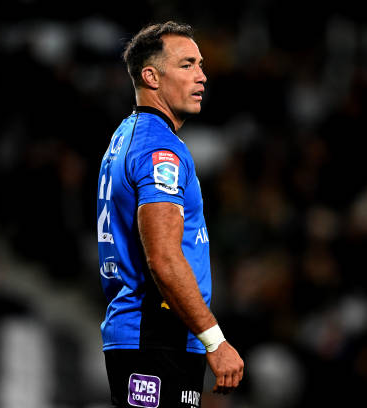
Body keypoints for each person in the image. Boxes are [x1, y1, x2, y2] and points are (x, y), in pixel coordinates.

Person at [96, 21, 244, 407]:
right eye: (187, 64)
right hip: (158, 335)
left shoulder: (125, 136)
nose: (202, 76)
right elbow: (162, 257)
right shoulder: (160, 151)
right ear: (151, 76)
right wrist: (214, 339)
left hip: (141, 334)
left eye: (201, 64)